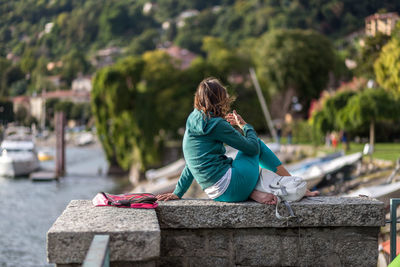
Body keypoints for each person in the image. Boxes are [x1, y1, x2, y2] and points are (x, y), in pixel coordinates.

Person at [156, 78, 318, 204]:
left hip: (217, 194)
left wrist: (178, 192)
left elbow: (192, 163)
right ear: (220, 100)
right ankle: (293, 184)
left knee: (236, 162)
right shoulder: (216, 124)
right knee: (258, 145)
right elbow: (253, 148)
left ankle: (253, 193)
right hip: (233, 187)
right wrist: (245, 126)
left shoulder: (192, 121)